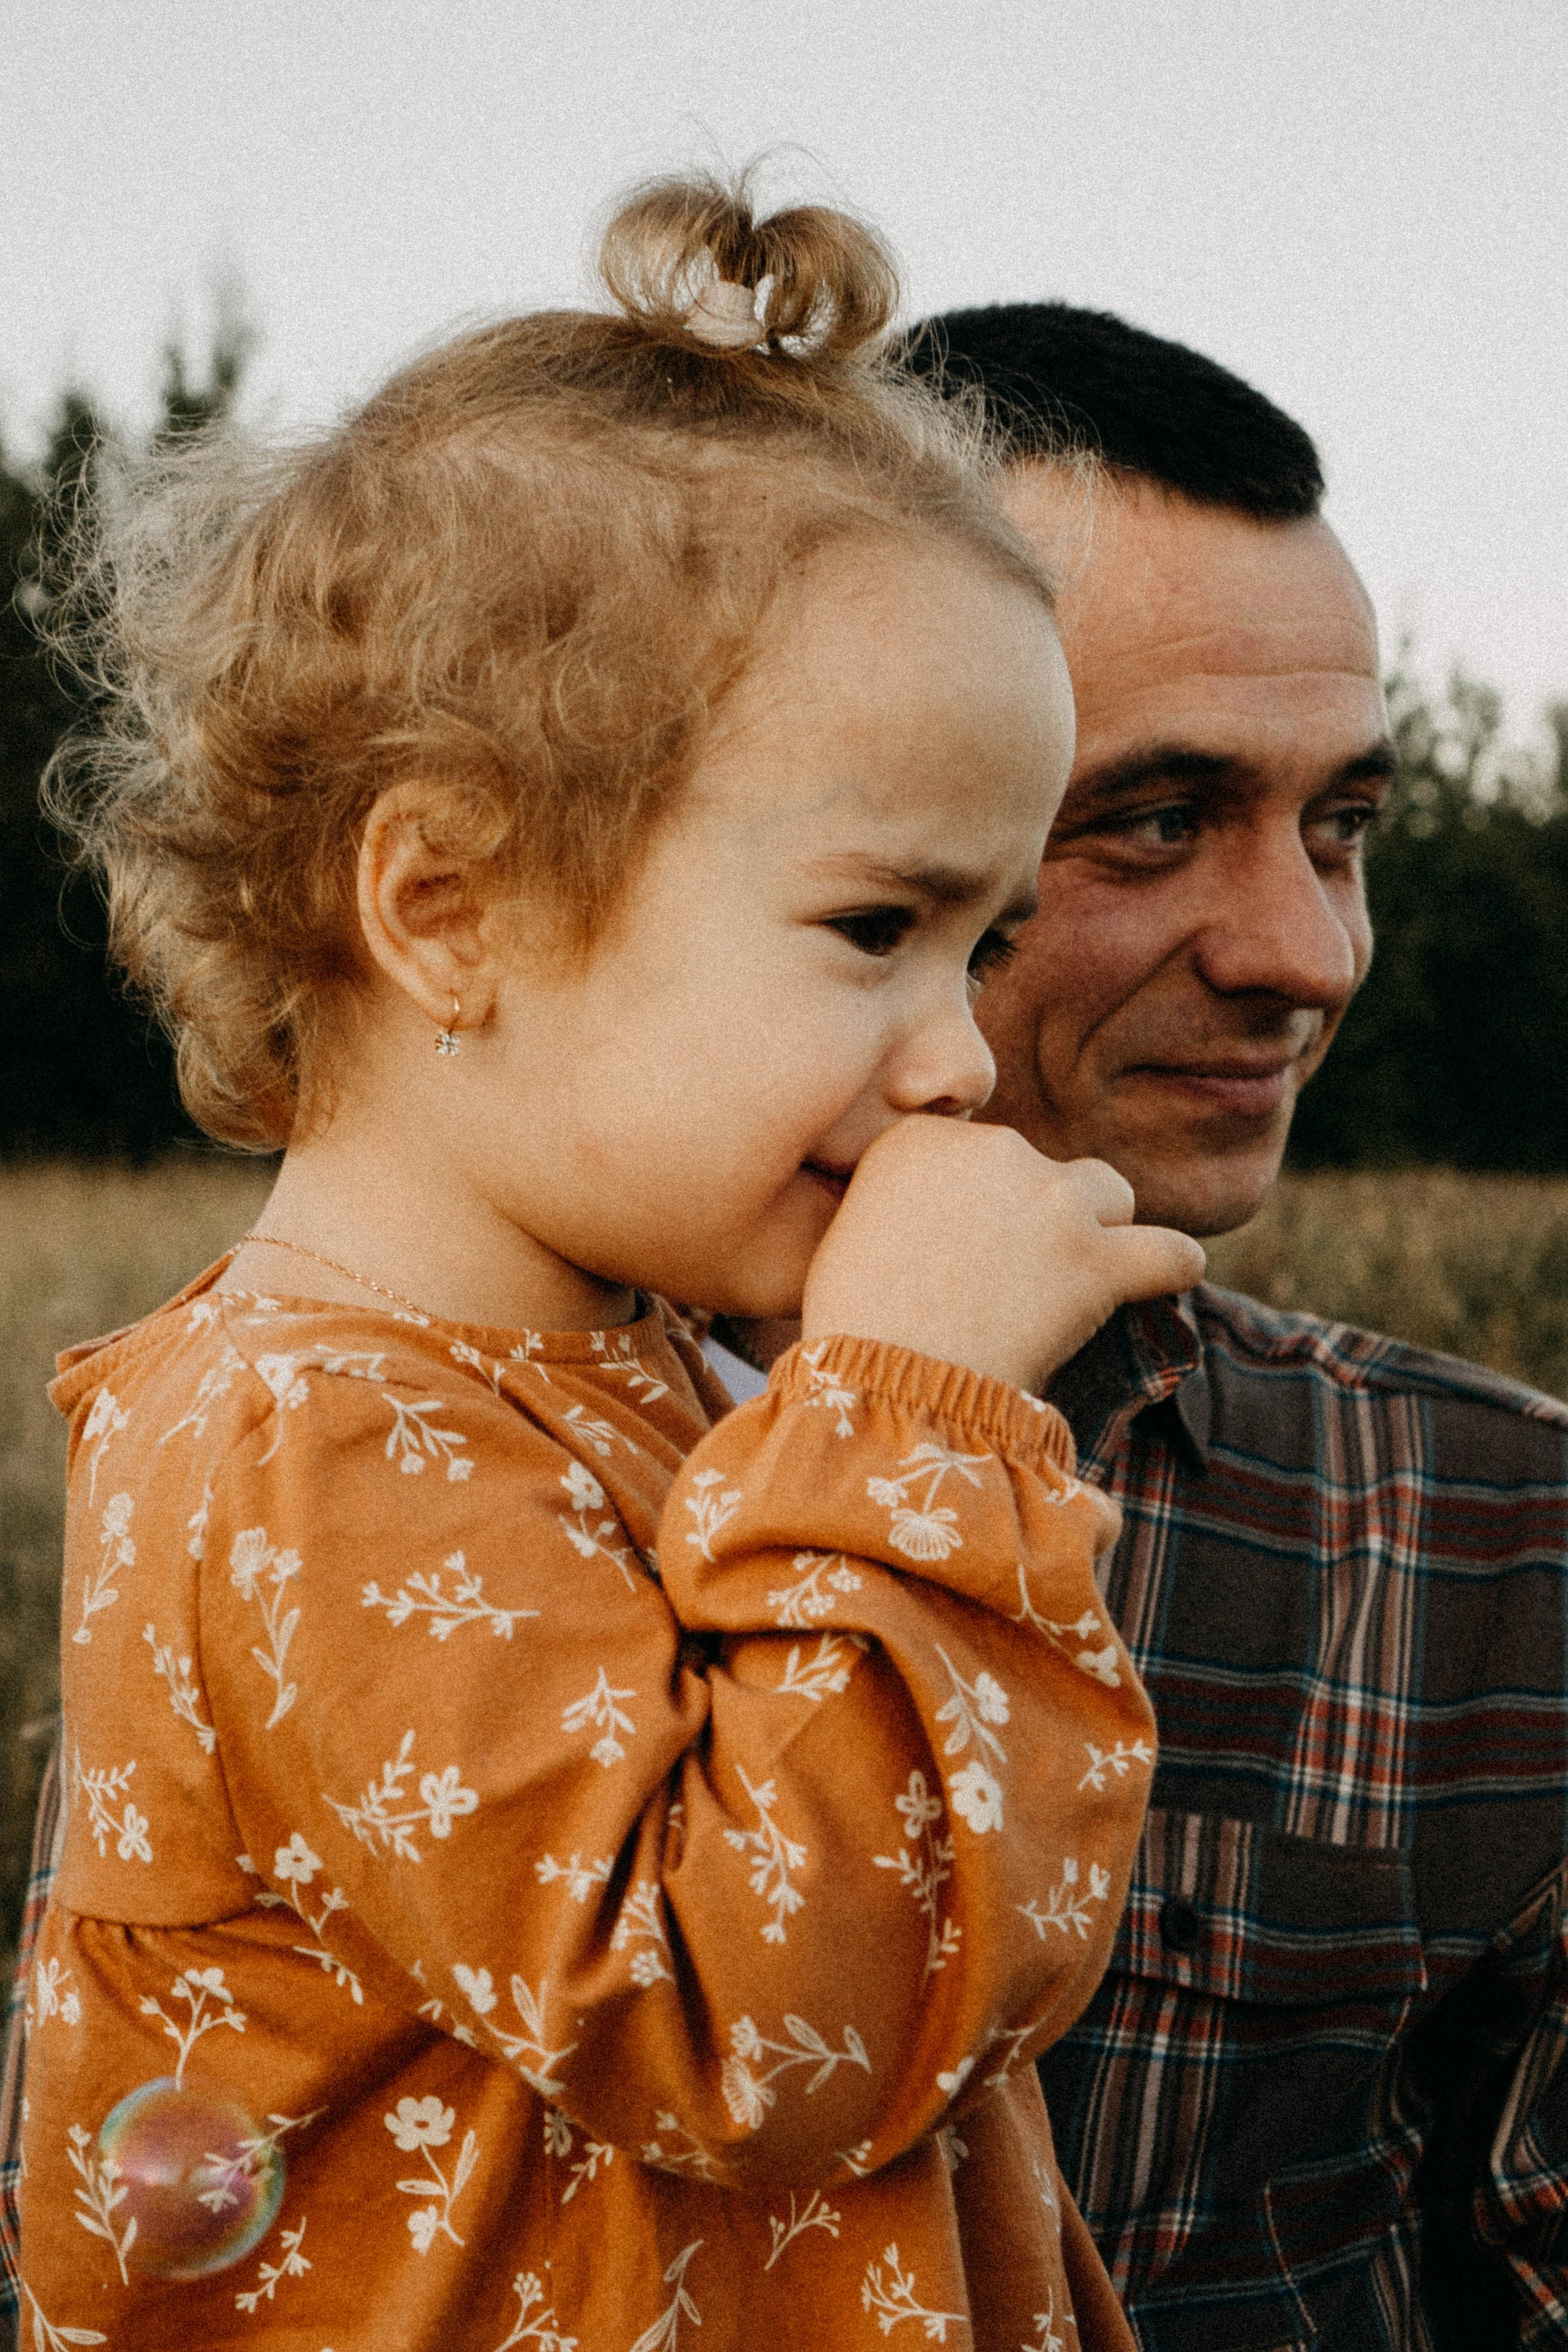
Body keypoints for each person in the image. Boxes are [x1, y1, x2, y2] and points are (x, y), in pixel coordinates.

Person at [11, 179, 1205, 2351]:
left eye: (991, 940)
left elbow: (971, 1961)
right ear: (449, 909)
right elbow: (763, 2023)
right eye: (879, 927)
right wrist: (918, 1417)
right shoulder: (299, 1440)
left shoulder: (659, 1366)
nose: (963, 1058)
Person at [895, 307, 1568, 2348]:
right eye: (1154, 819)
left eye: (1342, 827)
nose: (1305, 953)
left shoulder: (1498, 1549)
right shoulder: (376, 1463)